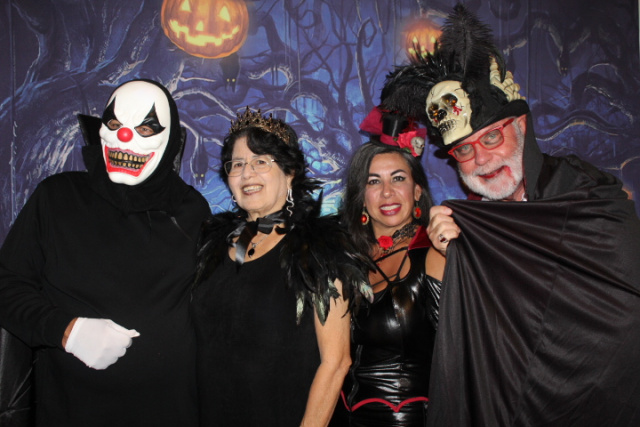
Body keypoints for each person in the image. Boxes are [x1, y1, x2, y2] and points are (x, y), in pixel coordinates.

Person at [381, 5, 640, 426]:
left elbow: (623, 309)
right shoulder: (470, 229)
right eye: (464, 150)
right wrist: (452, 257)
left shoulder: (585, 196)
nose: (481, 159)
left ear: (520, 125)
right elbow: (468, 348)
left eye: (491, 138)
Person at [0, 79, 209, 426]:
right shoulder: (56, 198)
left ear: (171, 140)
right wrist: (66, 330)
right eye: (114, 124)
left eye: (145, 128)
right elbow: (6, 284)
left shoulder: (191, 210)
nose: (125, 136)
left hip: (169, 412)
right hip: (73, 411)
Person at [193, 107, 371, 427]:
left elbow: (336, 362)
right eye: (237, 164)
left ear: (289, 173)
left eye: (261, 161)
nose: (247, 173)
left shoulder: (319, 250)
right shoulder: (214, 247)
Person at [330, 108, 445, 426]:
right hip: (338, 417)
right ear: (361, 197)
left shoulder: (436, 254)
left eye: (398, 178)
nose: (387, 193)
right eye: (373, 181)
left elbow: (464, 350)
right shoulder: (344, 256)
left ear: (417, 190)